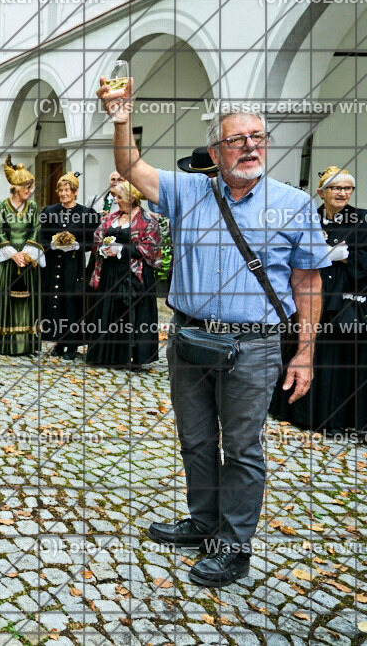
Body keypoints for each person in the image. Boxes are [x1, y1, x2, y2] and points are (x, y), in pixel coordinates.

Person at [97, 79, 329, 587]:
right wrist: (120, 120)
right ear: (216, 151)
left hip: (253, 346)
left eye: (257, 137)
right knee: (196, 439)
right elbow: (131, 167)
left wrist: (305, 355)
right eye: (236, 139)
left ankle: (234, 544)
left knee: (242, 448)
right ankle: (203, 522)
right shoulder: (188, 192)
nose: (249, 145)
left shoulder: (293, 204)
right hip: (188, 339)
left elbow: (308, 283)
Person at [270, 166, 367, 434]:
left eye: (348, 188)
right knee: (304, 349)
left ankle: (337, 420)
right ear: (321, 192)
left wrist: (348, 258)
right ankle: (300, 411)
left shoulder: (362, 220)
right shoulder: (309, 217)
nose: (343, 193)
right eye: (336, 188)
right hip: (309, 296)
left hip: (343, 302)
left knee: (338, 361)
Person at [85, 181, 161, 369]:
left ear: (131, 198)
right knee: (108, 313)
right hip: (110, 273)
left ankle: (132, 358)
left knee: (131, 316)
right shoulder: (112, 218)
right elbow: (97, 237)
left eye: (119, 197)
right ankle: (105, 356)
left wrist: (122, 250)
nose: (115, 200)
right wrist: (102, 248)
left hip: (134, 275)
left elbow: (150, 248)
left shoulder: (148, 221)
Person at [39, 171, 101, 359]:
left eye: (67, 190)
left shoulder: (86, 214)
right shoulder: (49, 212)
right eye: (61, 190)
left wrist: (76, 245)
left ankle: (72, 346)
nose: (63, 194)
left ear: (75, 192)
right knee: (55, 303)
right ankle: (58, 343)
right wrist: (52, 244)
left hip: (74, 265)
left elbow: (93, 241)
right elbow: (41, 237)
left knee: (71, 303)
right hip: (54, 263)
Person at [0, 158, 42, 356]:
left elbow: (35, 229)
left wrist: (26, 253)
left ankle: (26, 344)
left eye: (31, 187)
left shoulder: (33, 207)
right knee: (5, 299)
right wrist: (13, 254)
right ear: (15, 188)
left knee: (26, 301)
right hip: (7, 261)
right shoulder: (2, 206)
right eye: (26, 187)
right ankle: (3, 343)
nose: (29, 190)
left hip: (27, 259)